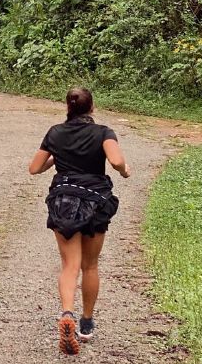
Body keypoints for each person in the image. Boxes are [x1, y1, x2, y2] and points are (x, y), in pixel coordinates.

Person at [28, 87, 131, 355]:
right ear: (92, 107)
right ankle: (86, 323)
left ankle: (67, 313)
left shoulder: (55, 133)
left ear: (68, 107)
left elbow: (34, 168)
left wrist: (57, 157)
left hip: (64, 201)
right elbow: (116, 159)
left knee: (69, 265)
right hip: (95, 201)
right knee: (91, 265)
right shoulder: (103, 132)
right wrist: (124, 170)